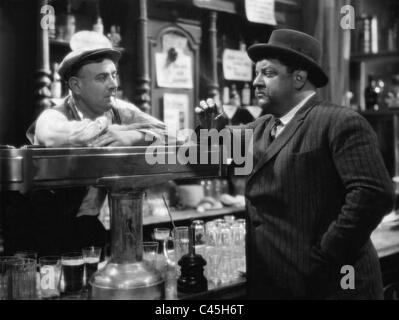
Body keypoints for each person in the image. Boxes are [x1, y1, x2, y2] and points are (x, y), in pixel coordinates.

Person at [196, 29, 395, 299]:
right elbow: (213, 156)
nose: (256, 82)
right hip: (278, 285)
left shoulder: (339, 122)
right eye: (256, 73)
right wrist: (211, 128)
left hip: (332, 286)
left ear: (299, 78)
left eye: (267, 73)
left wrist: (325, 255)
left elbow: (374, 195)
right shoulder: (263, 128)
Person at [4, 47, 169, 257]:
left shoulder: (119, 110)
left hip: (86, 225)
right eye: (102, 78)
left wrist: (134, 137)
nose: (113, 84)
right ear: (76, 85)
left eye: (114, 75)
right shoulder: (52, 116)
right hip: (38, 230)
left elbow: (167, 134)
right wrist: (109, 127)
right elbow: (71, 137)